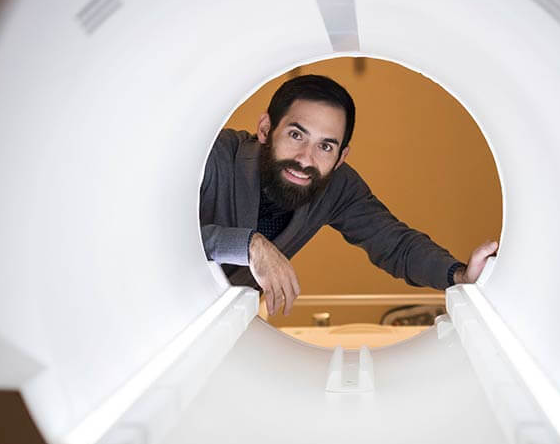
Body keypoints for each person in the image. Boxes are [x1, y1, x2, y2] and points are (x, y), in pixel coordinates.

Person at [199, 74, 498, 316]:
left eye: (325, 146)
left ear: (342, 157)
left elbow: (395, 245)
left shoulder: (336, 186)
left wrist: (461, 276)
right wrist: (250, 245)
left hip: (220, 320)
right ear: (266, 129)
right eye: (296, 135)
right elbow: (160, 237)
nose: (306, 159)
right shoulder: (212, 156)